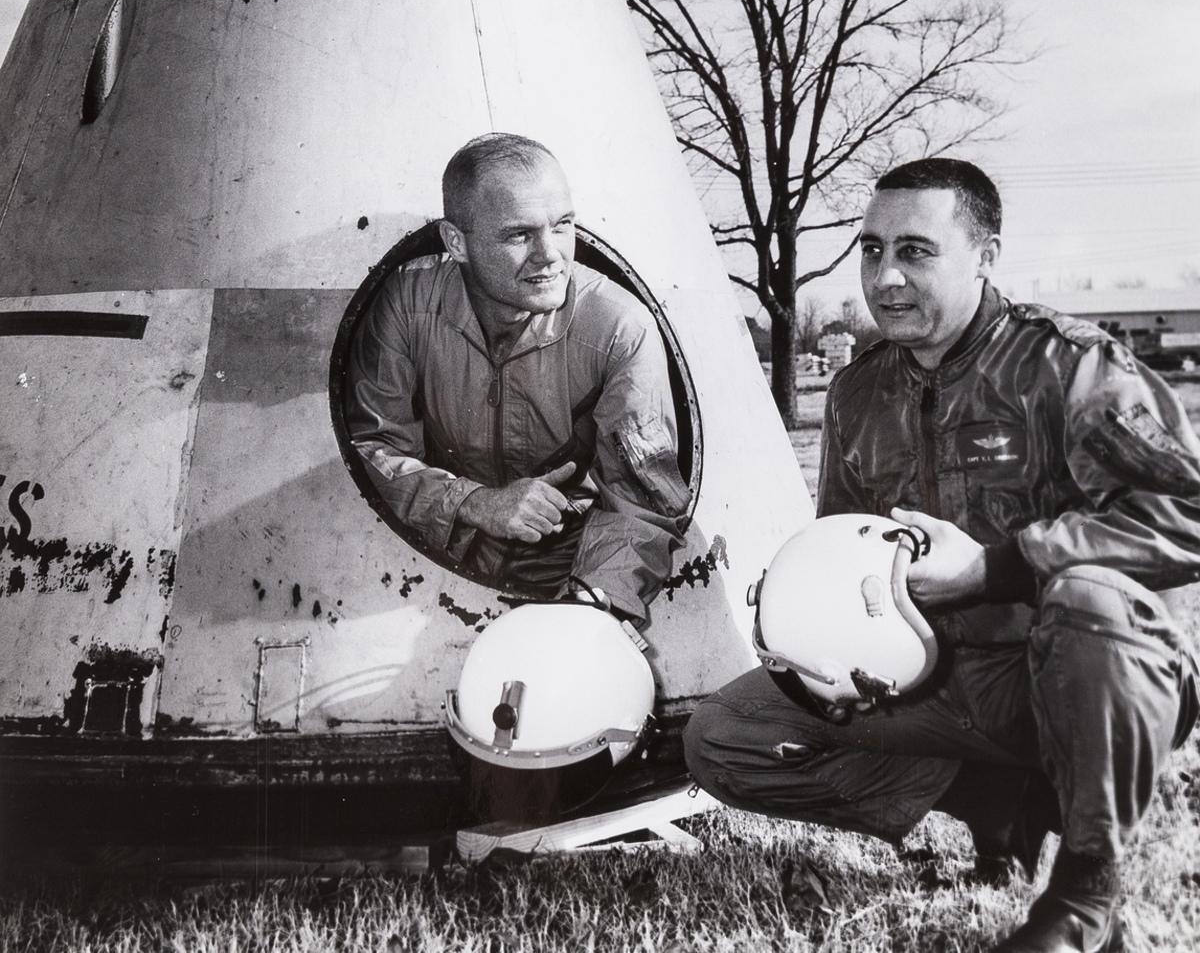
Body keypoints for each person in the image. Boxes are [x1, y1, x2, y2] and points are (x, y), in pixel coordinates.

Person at [685, 158, 1200, 953]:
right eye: (871, 249)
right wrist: (807, 631)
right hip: (936, 677)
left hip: (1083, 669)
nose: (886, 277)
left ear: (985, 255)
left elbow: (1185, 512)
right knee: (725, 730)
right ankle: (1003, 806)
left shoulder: (1067, 365)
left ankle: (1084, 895)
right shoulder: (859, 390)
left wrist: (996, 567)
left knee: (1088, 599)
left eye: (916, 251)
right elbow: (842, 545)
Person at [344, 132, 689, 628]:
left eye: (563, 225)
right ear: (456, 242)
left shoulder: (618, 328)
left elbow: (643, 505)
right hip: (425, 559)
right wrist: (474, 502)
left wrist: (588, 609)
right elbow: (370, 447)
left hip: (573, 565)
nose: (550, 255)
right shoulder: (408, 304)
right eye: (519, 235)